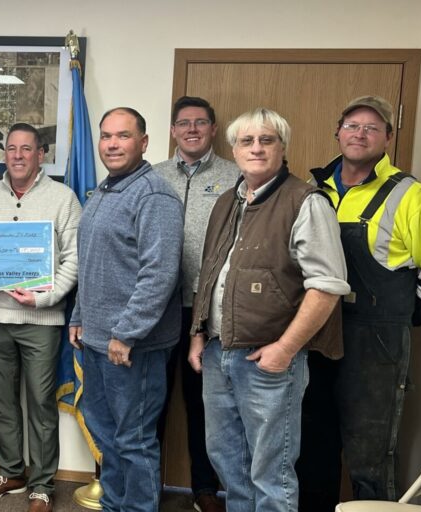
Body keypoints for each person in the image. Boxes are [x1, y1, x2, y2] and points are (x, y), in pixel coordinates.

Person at [304, 96, 421, 504]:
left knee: (371, 454)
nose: (360, 134)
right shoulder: (315, 191)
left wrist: (398, 318)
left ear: (389, 137)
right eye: (352, 125)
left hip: (375, 345)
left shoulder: (412, 196)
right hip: (314, 336)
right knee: (312, 447)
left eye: (372, 128)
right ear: (337, 132)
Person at [188, 108, 350, 512]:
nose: (256, 148)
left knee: (271, 474)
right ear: (234, 149)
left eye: (267, 140)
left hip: (268, 361)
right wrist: (198, 333)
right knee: (229, 464)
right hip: (218, 352)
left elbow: (327, 287)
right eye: (247, 141)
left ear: (283, 147)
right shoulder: (226, 202)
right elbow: (210, 272)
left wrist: (285, 349)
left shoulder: (305, 201)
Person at [0, 123, 81, 512]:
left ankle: (42, 484)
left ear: (40, 154)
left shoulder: (63, 198)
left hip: (41, 321)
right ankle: (10, 472)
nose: (18, 155)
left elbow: (74, 259)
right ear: (4, 153)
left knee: (41, 403)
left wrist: (45, 298)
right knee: (1, 401)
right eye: (11, 148)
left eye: (27, 149)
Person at [69, 107, 183, 512]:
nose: (112, 144)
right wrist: (79, 316)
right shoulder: (104, 191)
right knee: (106, 435)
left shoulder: (154, 195)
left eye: (123, 136)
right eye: (106, 136)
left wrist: (126, 333)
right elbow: (92, 262)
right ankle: (115, 506)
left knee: (133, 441)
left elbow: (160, 273)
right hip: (97, 341)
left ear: (144, 143)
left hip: (132, 347)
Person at [153, 96, 238, 512]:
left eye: (200, 122)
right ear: (172, 130)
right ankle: (146, 486)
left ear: (213, 129)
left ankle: (205, 489)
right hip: (157, 307)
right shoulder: (151, 176)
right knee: (152, 401)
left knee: (205, 404)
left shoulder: (235, 175)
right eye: (183, 123)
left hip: (208, 311)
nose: (191, 129)